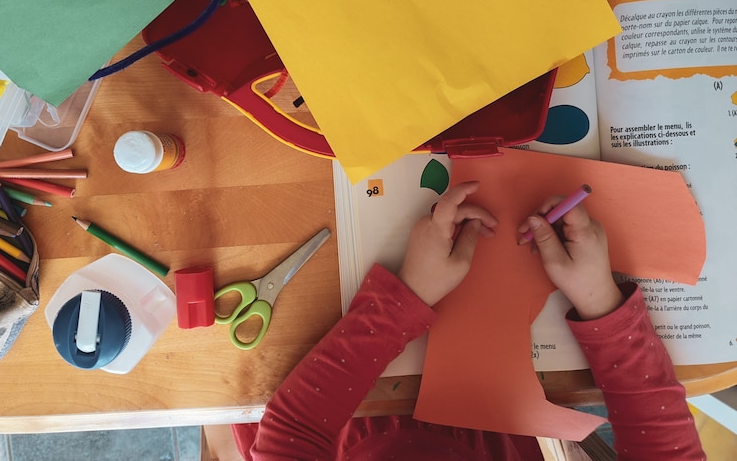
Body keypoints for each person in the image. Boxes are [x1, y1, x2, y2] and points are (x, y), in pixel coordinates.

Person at [223, 181, 706, 460]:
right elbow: (666, 449)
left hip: (343, 422)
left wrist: (403, 300)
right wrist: (600, 302)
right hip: (492, 429)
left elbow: (292, 432)